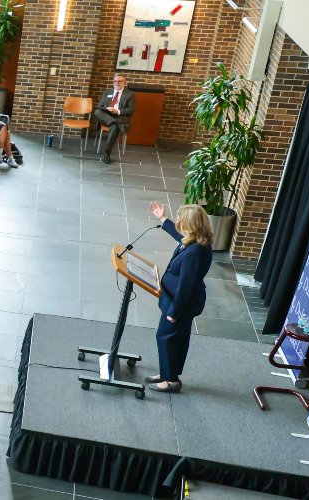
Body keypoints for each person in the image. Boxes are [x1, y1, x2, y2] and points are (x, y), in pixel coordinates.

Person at [147, 202, 215, 393]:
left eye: (180, 220)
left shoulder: (195, 252)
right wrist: (162, 218)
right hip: (174, 299)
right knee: (176, 337)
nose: (177, 222)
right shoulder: (196, 241)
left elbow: (187, 286)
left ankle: (171, 381)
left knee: (166, 337)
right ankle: (167, 373)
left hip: (181, 303)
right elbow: (180, 237)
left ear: (190, 225)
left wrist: (175, 312)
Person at [95, 75, 135, 164]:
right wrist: (107, 109)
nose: (117, 83)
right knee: (97, 111)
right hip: (106, 115)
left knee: (114, 128)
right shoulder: (107, 92)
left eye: (120, 81)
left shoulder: (130, 94)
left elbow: (131, 110)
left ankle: (107, 153)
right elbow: (100, 106)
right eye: (115, 81)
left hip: (119, 116)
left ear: (125, 83)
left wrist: (117, 111)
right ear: (113, 82)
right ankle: (114, 123)